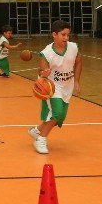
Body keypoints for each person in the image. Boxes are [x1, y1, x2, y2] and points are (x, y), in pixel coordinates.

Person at [29, 20, 82, 154]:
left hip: (67, 86)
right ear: (54, 34)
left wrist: (76, 80)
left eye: (68, 35)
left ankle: (37, 130)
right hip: (52, 87)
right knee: (57, 113)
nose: (66, 38)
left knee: (60, 116)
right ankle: (40, 139)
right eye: (63, 35)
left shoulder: (73, 47)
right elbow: (41, 72)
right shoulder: (46, 53)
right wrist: (44, 73)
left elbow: (79, 61)